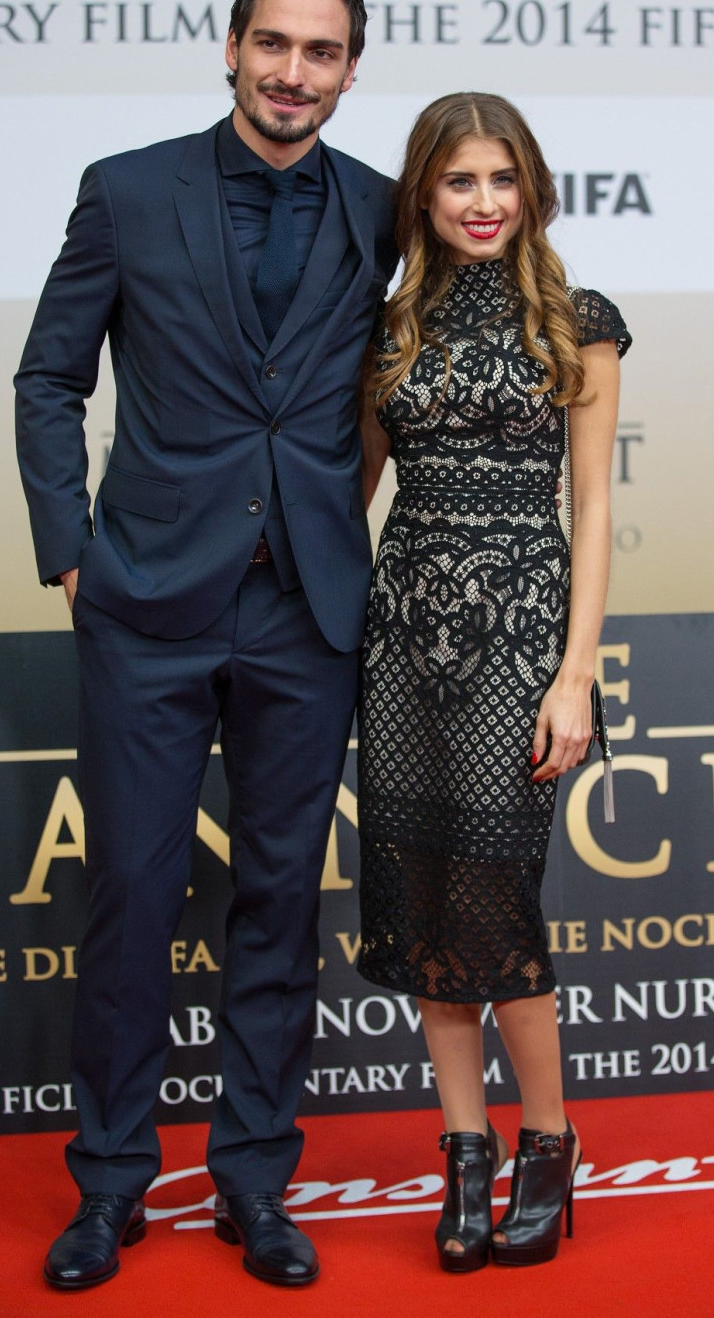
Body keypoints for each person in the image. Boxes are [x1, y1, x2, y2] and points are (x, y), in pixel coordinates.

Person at [15, 0, 396, 1291]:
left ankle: (253, 1181)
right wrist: (73, 554)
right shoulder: (126, 193)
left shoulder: (384, 209)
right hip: (148, 607)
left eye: (325, 52)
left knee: (281, 901)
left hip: (306, 613)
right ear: (230, 47)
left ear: (351, 69)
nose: (297, 72)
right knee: (128, 894)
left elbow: (389, 387)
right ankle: (112, 1184)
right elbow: (47, 377)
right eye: (276, 44)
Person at [357, 92, 630, 1272]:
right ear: (423, 192)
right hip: (402, 637)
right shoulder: (389, 327)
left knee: (490, 906)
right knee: (422, 911)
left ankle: (549, 1142)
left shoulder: (579, 320)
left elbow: (595, 507)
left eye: (500, 179)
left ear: (531, 189)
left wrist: (576, 677)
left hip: (521, 641)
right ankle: (463, 1153)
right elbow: (347, 491)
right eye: (459, 181)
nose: (481, 203)